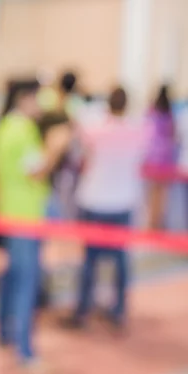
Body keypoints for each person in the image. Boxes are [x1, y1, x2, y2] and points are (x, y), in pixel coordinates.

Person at [60, 87, 150, 331]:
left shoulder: (95, 130)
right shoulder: (137, 131)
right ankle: (118, 310)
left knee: (90, 258)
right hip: (123, 200)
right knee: (121, 259)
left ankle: (83, 310)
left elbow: (81, 155)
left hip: (95, 199)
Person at [0, 79, 64, 370]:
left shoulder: (4, 127)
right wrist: (56, 148)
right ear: (24, 98)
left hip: (9, 210)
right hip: (26, 215)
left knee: (12, 276)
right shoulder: (22, 130)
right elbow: (36, 171)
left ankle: (4, 332)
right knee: (26, 281)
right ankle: (25, 350)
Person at [145, 85, 176, 230]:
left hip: (153, 155)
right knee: (162, 192)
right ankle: (159, 221)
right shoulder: (170, 112)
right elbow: (173, 134)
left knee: (152, 191)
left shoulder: (152, 110)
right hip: (166, 155)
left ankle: (152, 221)